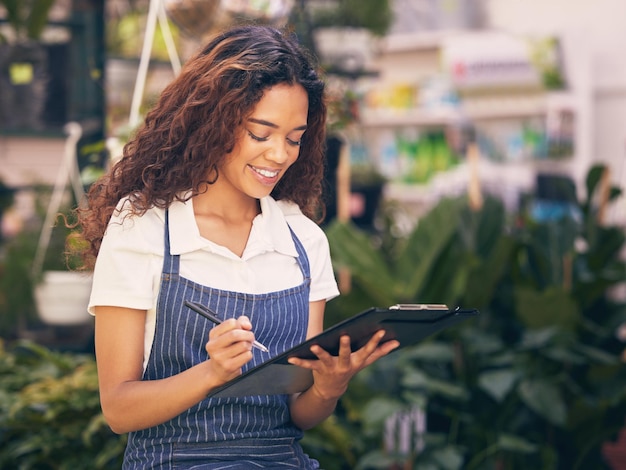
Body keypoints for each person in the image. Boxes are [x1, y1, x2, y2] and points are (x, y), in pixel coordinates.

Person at [74, 24, 399, 469]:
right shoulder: (146, 227)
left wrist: (328, 387)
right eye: (260, 134)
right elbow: (118, 409)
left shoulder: (303, 241)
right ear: (214, 121)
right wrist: (212, 373)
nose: (281, 155)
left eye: (294, 138)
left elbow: (299, 416)